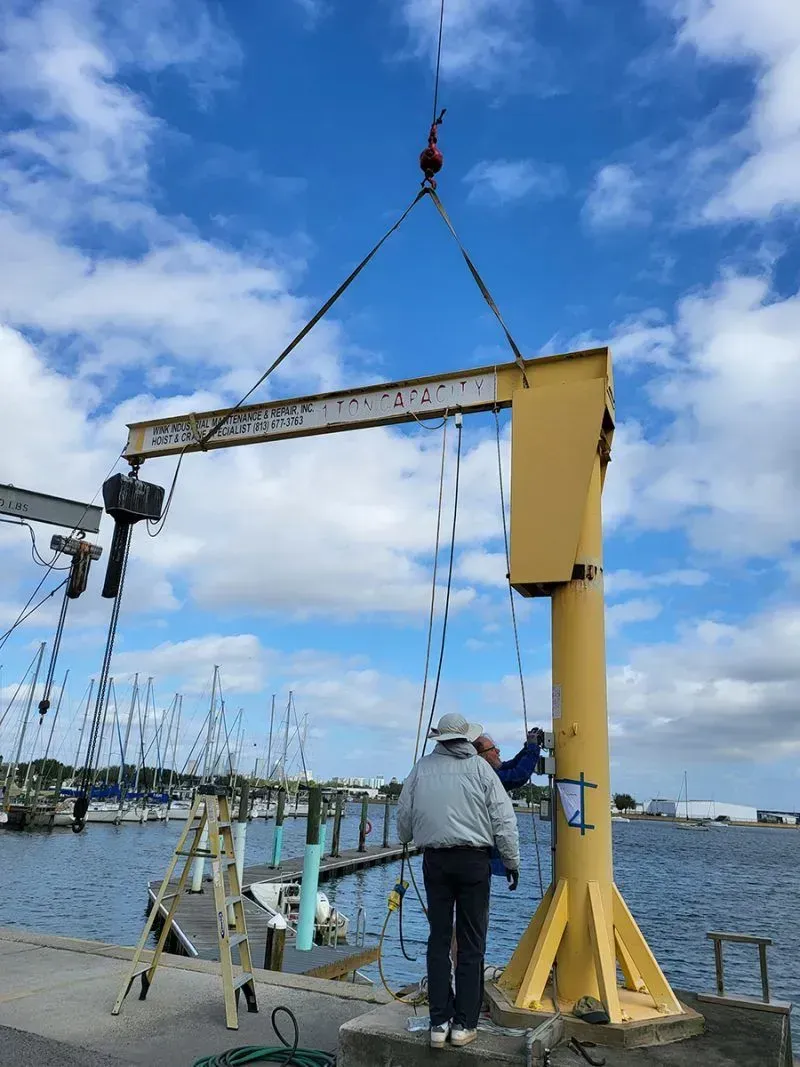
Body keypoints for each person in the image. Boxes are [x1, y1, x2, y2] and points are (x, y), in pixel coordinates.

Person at [397, 712, 520, 1050]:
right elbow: (503, 819)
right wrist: (511, 861)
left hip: (435, 861)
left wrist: (407, 836)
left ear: (439, 739)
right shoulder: (481, 769)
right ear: (467, 738)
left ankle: (438, 1022)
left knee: (438, 940)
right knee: (471, 943)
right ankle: (464, 1024)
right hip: (473, 862)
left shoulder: (421, 769)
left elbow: (404, 816)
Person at [473, 727, 544, 791]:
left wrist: (528, 746)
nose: (498, 750)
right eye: (492, 749)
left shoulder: (484, 770)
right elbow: (520, 775)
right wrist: (533, 746)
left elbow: (512, 764)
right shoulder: (486, 776)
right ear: (481, 756)